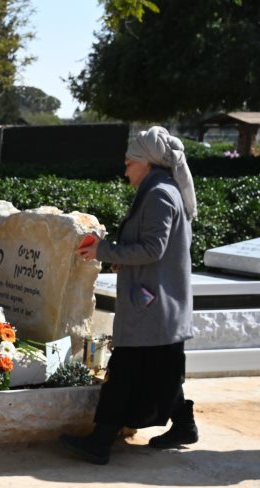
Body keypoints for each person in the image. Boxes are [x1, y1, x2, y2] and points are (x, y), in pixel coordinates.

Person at [62, 126, 198, 465]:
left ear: (146, 163)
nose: (125, 171)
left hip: (153, 307)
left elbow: (153, 249)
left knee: (125, 371)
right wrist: (122, 259)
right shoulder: (162, 190)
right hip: (157, 305)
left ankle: (100, 442)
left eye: (129, 163)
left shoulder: (159, 194)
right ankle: (184, 426)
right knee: (160, 371)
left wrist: (104, 250)